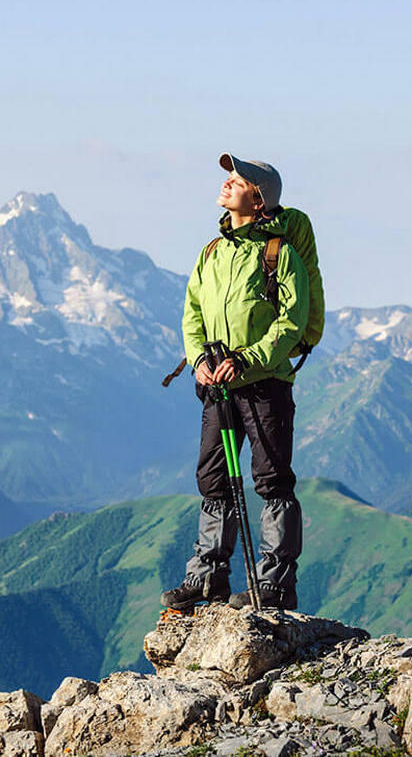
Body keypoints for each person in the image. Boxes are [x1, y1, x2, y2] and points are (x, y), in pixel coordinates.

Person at [161, 153, 310, 611]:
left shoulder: (279, 255)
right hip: (219, 386)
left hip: (264, 385)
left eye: (239, 180)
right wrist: (199, 358)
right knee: (214, 480)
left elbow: (291, 323)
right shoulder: (212, 252)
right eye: (229, 177)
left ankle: (276, 584)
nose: (228, 183)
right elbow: (193, 313)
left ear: (259, 198)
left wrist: (247, 359)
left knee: (271, 480)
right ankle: (208, 578)